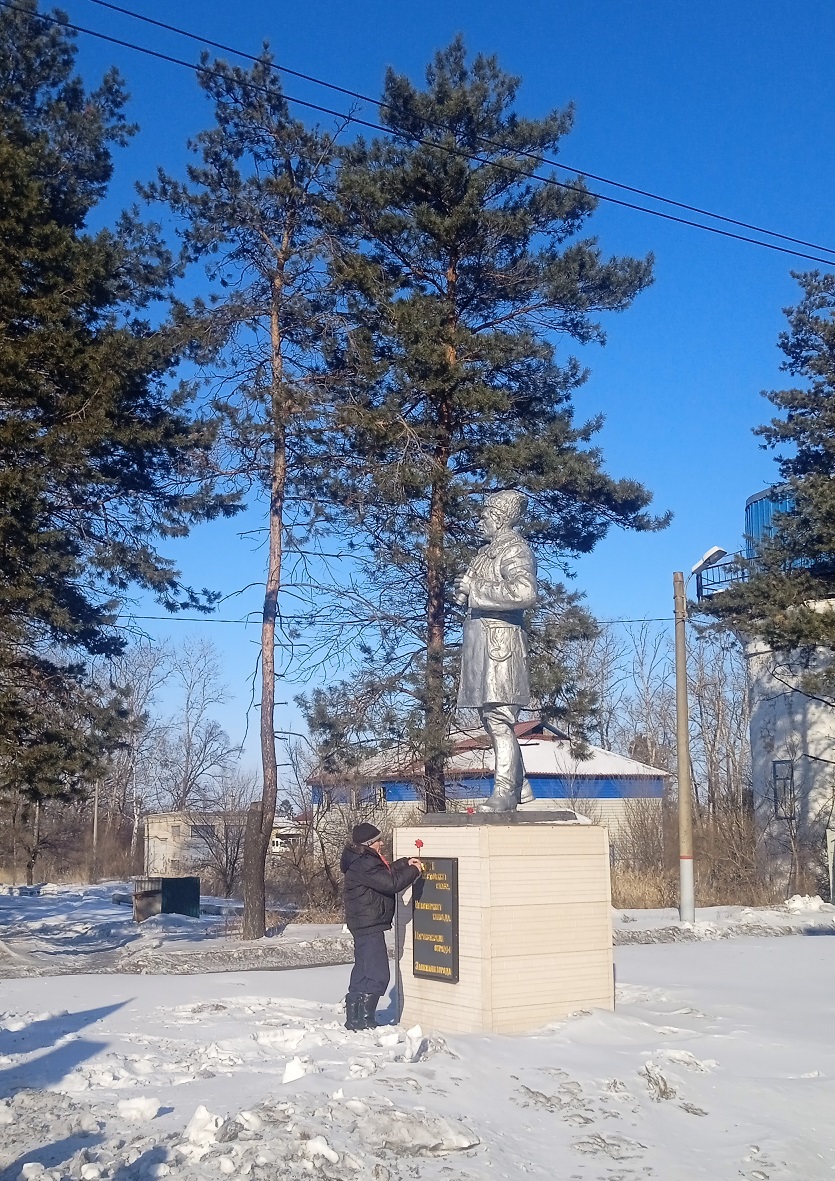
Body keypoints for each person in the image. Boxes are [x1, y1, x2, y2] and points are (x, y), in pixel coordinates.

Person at [454, 490, 539, 811]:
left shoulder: (515, 549)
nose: (479, 522)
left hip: (502, 648)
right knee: (492, 720)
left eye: (484, 517)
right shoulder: (486, 553)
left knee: (500, 719)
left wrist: (476, 589)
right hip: (482, 647)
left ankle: (505, 790)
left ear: (499, 519)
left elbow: (525, 592)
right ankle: (521, 784)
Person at [340, 822, 423, 1031]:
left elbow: (383, 874)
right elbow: (391, 884)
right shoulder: (364, 863)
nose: (382, 843)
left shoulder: (361, 860)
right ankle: (366, 1019)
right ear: (369, 844)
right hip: (369, 923)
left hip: (363, 923)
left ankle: (354, 1019)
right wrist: (414, 871)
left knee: (363, 971)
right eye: (378, 840)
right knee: (378, 974)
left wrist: (404, 863)